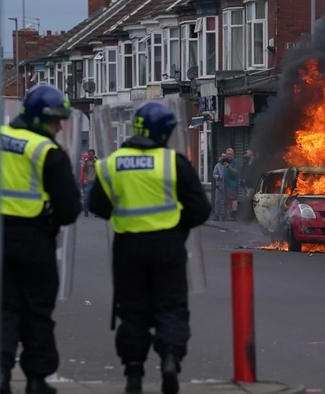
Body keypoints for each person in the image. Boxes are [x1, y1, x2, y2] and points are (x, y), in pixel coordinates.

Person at [89, 101, 210, 394]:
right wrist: (178, 225)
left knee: (133, 311)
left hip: (128, 248)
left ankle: (133, 371)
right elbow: (200, 208)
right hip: (168, 247)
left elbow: (96, 206)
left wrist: (124, 212)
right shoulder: (174, 163)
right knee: (171, 307)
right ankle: (169, 357)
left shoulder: (111, 164)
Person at [0, 85, 81, 394]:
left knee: (3, 310)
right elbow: (70, 208)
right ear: (38, 118)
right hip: (35, 241)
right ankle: (36, 380)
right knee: (36, 313)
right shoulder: (47, 152)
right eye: (54, 121)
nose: (59, 127)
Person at [82, 149, 97, 217]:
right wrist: (85, 179)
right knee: (86, 197)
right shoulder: (86, 162)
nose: (91, 155)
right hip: (89, 181)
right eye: (89, 154)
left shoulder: (97, 161)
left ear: (94, 154)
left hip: (96, 182)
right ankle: (86, 211)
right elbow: (84, 171)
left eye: (92, 154)